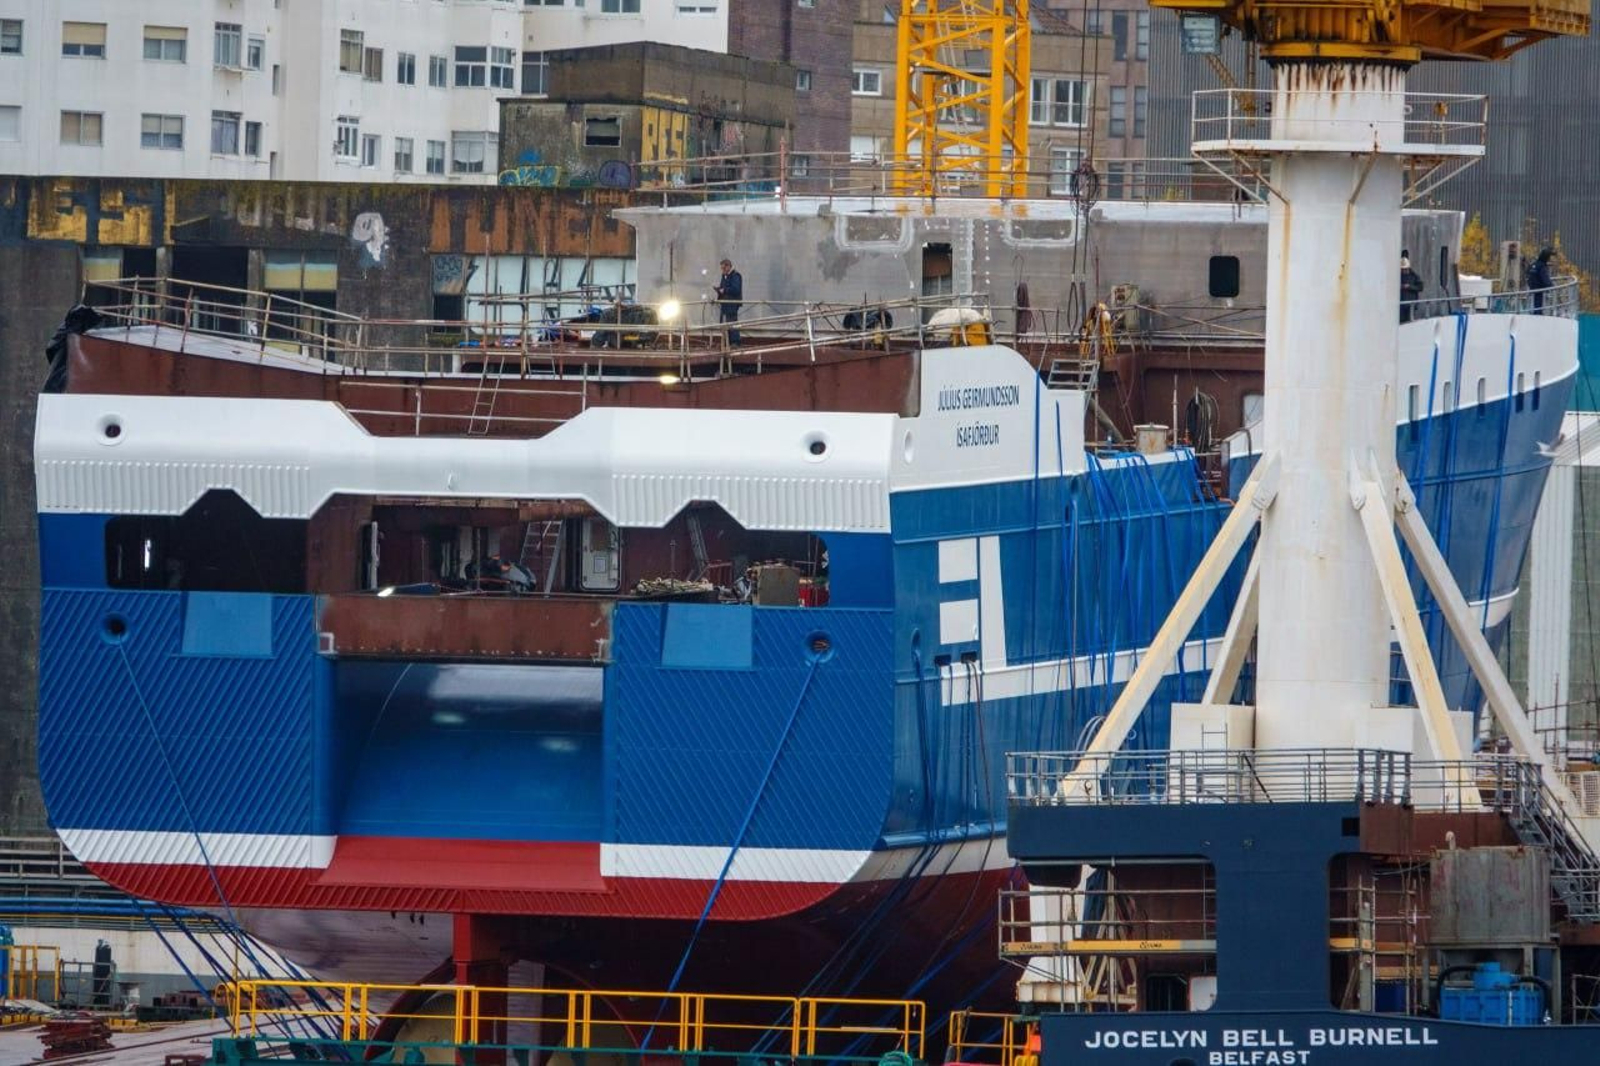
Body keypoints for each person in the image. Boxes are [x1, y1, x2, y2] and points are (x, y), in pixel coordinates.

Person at [714, 258, 743, 347]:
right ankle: (727, 341)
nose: (722, 270)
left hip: (732, 303)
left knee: (732, 322)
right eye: (721, 269)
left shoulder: (735, 275)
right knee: (725, 323)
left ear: (728, 266)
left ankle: (735, 341)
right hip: (725, 303)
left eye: (723, 268)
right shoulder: (724, 276)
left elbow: (736, 289)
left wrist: (724, 290)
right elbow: (724, 287)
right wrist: (719, 290)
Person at [1527, 246, 1555, 314]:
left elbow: (1527, 273)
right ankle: (1538, 314)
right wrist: (1552, 286)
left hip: (1532, 288)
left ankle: (1533, 312)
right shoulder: (1542, 266)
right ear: (1546, 257)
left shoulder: (1534, 264)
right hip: (1539, 290)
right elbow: (1545, 279)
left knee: (1534, 304)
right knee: (1538, 306)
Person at [1399, 250, 1424, 323]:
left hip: (1410, 305)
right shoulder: (1399, 276)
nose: (1404, 271)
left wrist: (1409, 287)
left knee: (1408, 322)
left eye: (1405, 269)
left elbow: (1420, 287)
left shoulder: (1414, 276)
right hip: (1401, 305)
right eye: (1402, 269)